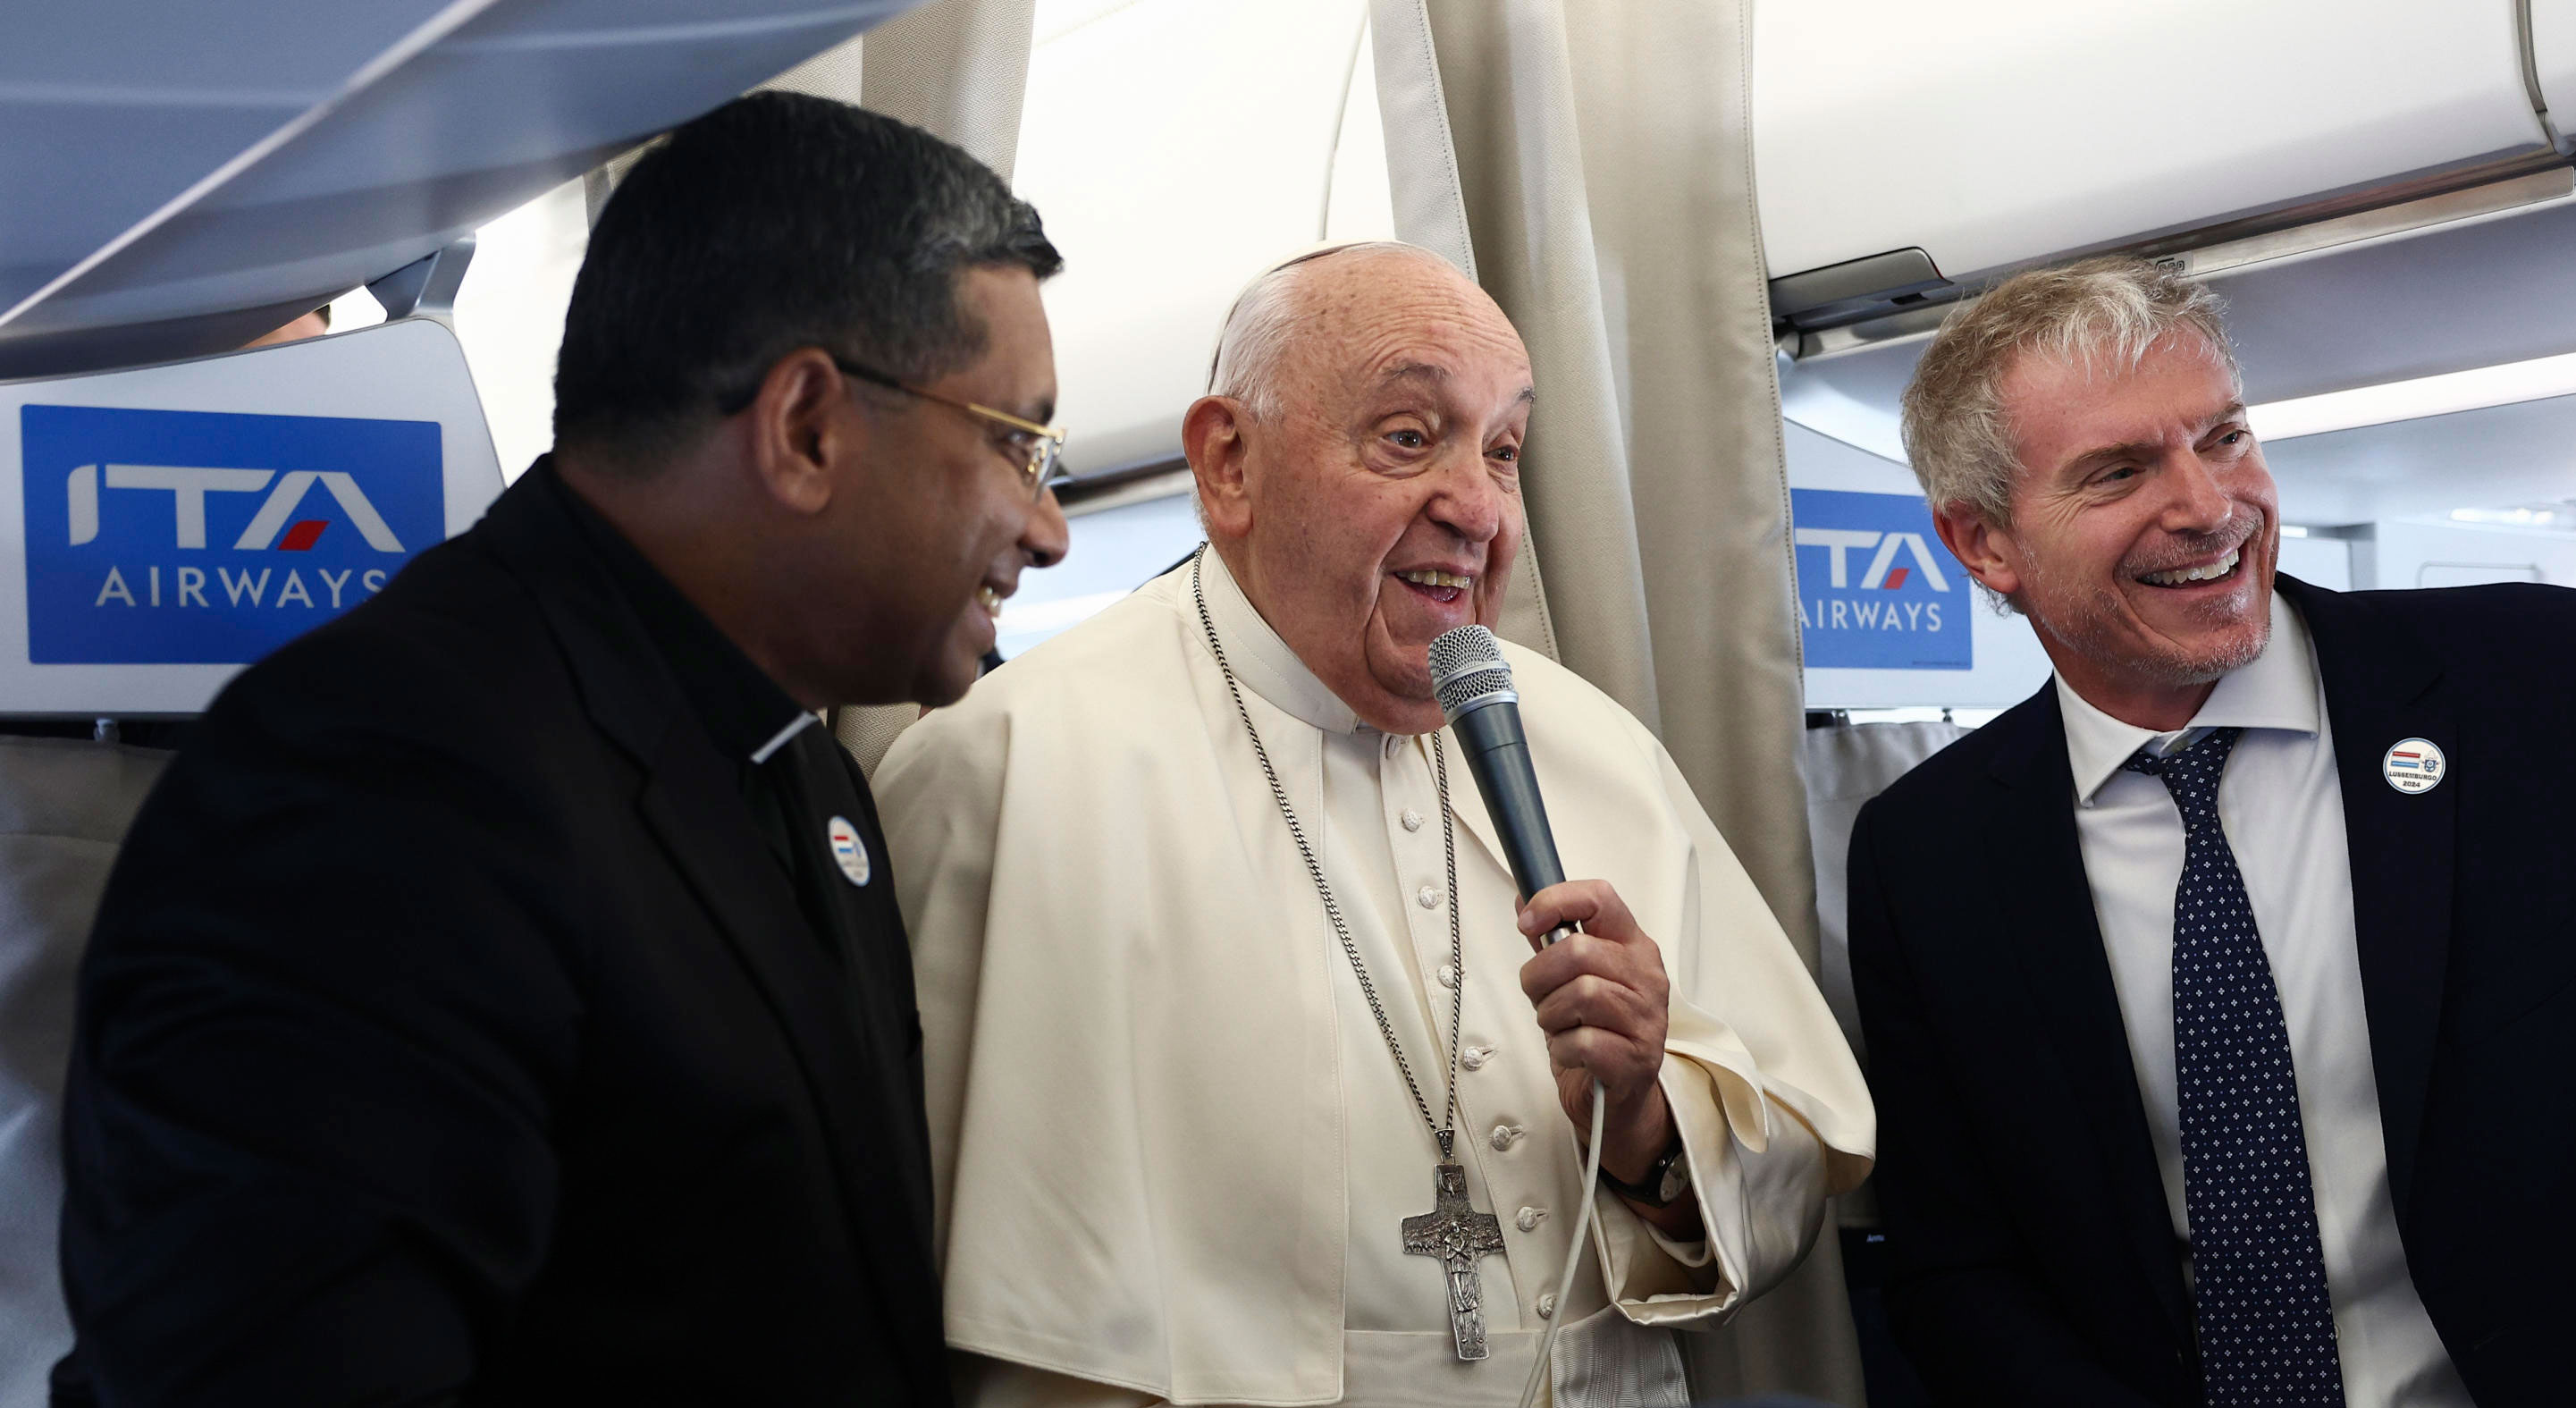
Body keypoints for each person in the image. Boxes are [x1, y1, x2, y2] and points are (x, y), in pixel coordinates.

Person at [53, 91, 1069, 1405]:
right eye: (1017, 444)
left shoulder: (810, 777)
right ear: (807, 425)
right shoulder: (375, 779)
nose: (1046, 527)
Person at [873, 241, 1873, 1408]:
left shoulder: (1595, 751)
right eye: (1409, 437)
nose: (1480, 506)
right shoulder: (1010, 761)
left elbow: (1800, 1157)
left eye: (1504, 449)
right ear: (1229, 462)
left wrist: (1651, 1123)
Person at [1848, 257, 2576, 1407]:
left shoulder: (2562, 689)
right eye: (2120, 470)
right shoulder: (1928, 853)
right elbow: (1959, 1266)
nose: (2210, 505)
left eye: (2222, 438)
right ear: (1983, 546)